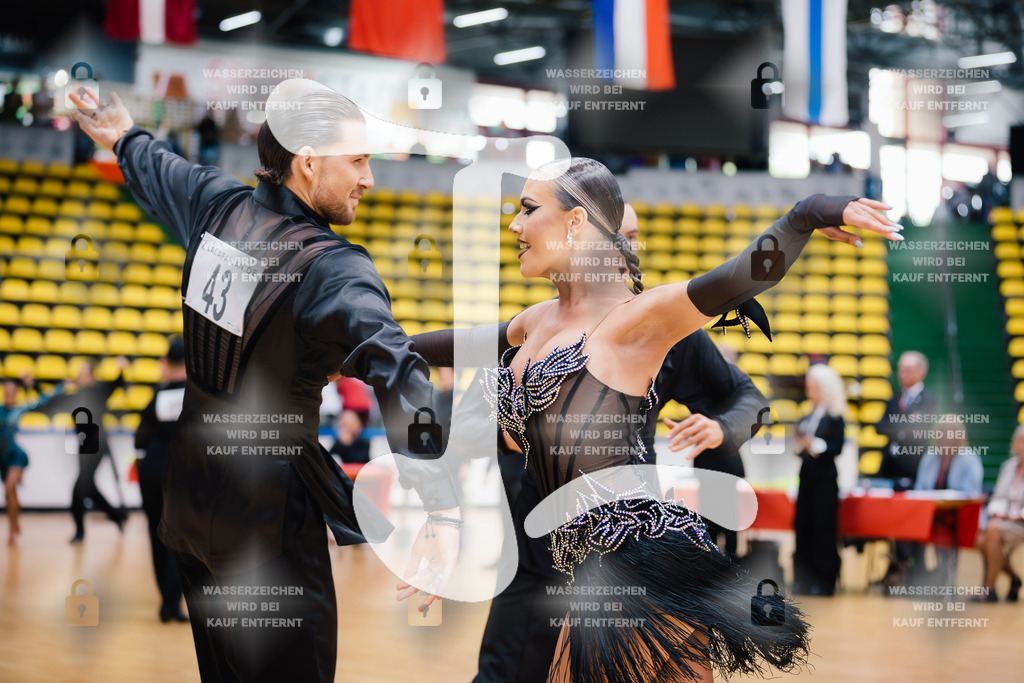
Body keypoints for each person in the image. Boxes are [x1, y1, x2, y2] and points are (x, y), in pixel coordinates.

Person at [410, 157, 901, 681]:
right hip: (562, 556)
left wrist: (806, 213)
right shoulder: (538, 321)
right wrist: (351, 349)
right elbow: (448, 348)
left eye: (527, 211)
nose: (515, 225)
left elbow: (739, 279)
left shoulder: (640, 320)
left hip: (635, 558)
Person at [70, 83, 459, 683]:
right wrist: (440, 510)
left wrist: (124, 136)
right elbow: (398, 371)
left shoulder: (216, 206)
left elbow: (157, 169)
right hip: (268, 518)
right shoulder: (333, 265)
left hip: (192, 505)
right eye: (357, 160)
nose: (369, 179)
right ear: (308, 161)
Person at [44, 357, 129, 543]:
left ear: (92, 376)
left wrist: (121, 369)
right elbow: (51, 402)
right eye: (79, 373)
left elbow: (117, 384)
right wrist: (31, 384)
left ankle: (80, 532)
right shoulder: (74, 395)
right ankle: (117, 515)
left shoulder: (99, 392)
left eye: (84, 373)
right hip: (84, 448)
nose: (80, 376)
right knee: (88, 488)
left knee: (79, 489)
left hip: (98, 446)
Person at [134, 336, 189, 622]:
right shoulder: (196, 394)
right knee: (180, 538)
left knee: (156, 533)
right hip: (182, 472)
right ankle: (171, 604)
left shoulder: (157, 395)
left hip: (152, 469)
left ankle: (167, 603)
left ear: (166, 361)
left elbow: (139, 437)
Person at [792, 364, 846, 596]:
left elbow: (837, 448)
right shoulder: (806, 415)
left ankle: (825, 580)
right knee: (803, 526)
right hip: (806, 477)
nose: (809, 389)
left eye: (813, 386)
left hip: (825, 480)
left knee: (823, 529)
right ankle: (803, 578)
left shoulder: (835, 417)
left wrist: (814, 445)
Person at [912, 419, 983, 586]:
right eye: (943, 433)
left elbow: (972, 491)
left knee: (946, 530)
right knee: (910, 529)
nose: (946, 437)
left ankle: (946, 576)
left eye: (950, 433)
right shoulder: (930, 457)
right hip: (931, 511)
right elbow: (920, 487)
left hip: (959, 513)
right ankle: (919, 574)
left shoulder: (969, 458)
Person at [0, 374, 65, 546]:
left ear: (16, 393)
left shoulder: (19, 409)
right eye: (6, 391)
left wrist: (60, 387)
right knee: (11, 495)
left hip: (16, 455)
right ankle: (16, 523)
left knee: (9, 489)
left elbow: (42, 399)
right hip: (2, 458)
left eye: (12, 391)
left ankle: (12, 532)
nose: (9, 394)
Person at [973, 425, 1024, 602]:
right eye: (1021, 440)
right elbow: (997, 496)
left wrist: (1016, 514)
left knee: (991, 531)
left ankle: (988, 590)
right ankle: (1013, 578)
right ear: (1015, 443)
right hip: (1004, 520)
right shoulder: (1008, 467)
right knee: (980, 539)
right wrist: (999, 510)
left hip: (1021, 522)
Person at [875, 350, 937, 490]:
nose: (902, 374)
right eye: (901, 370)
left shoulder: (929, 400)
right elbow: (879, 427)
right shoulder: (893, 399)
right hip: (889, 466)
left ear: (921, 372)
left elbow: (920, 429)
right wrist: (908, 423)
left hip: (915, 465)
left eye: (908, 370)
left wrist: (896, 425)